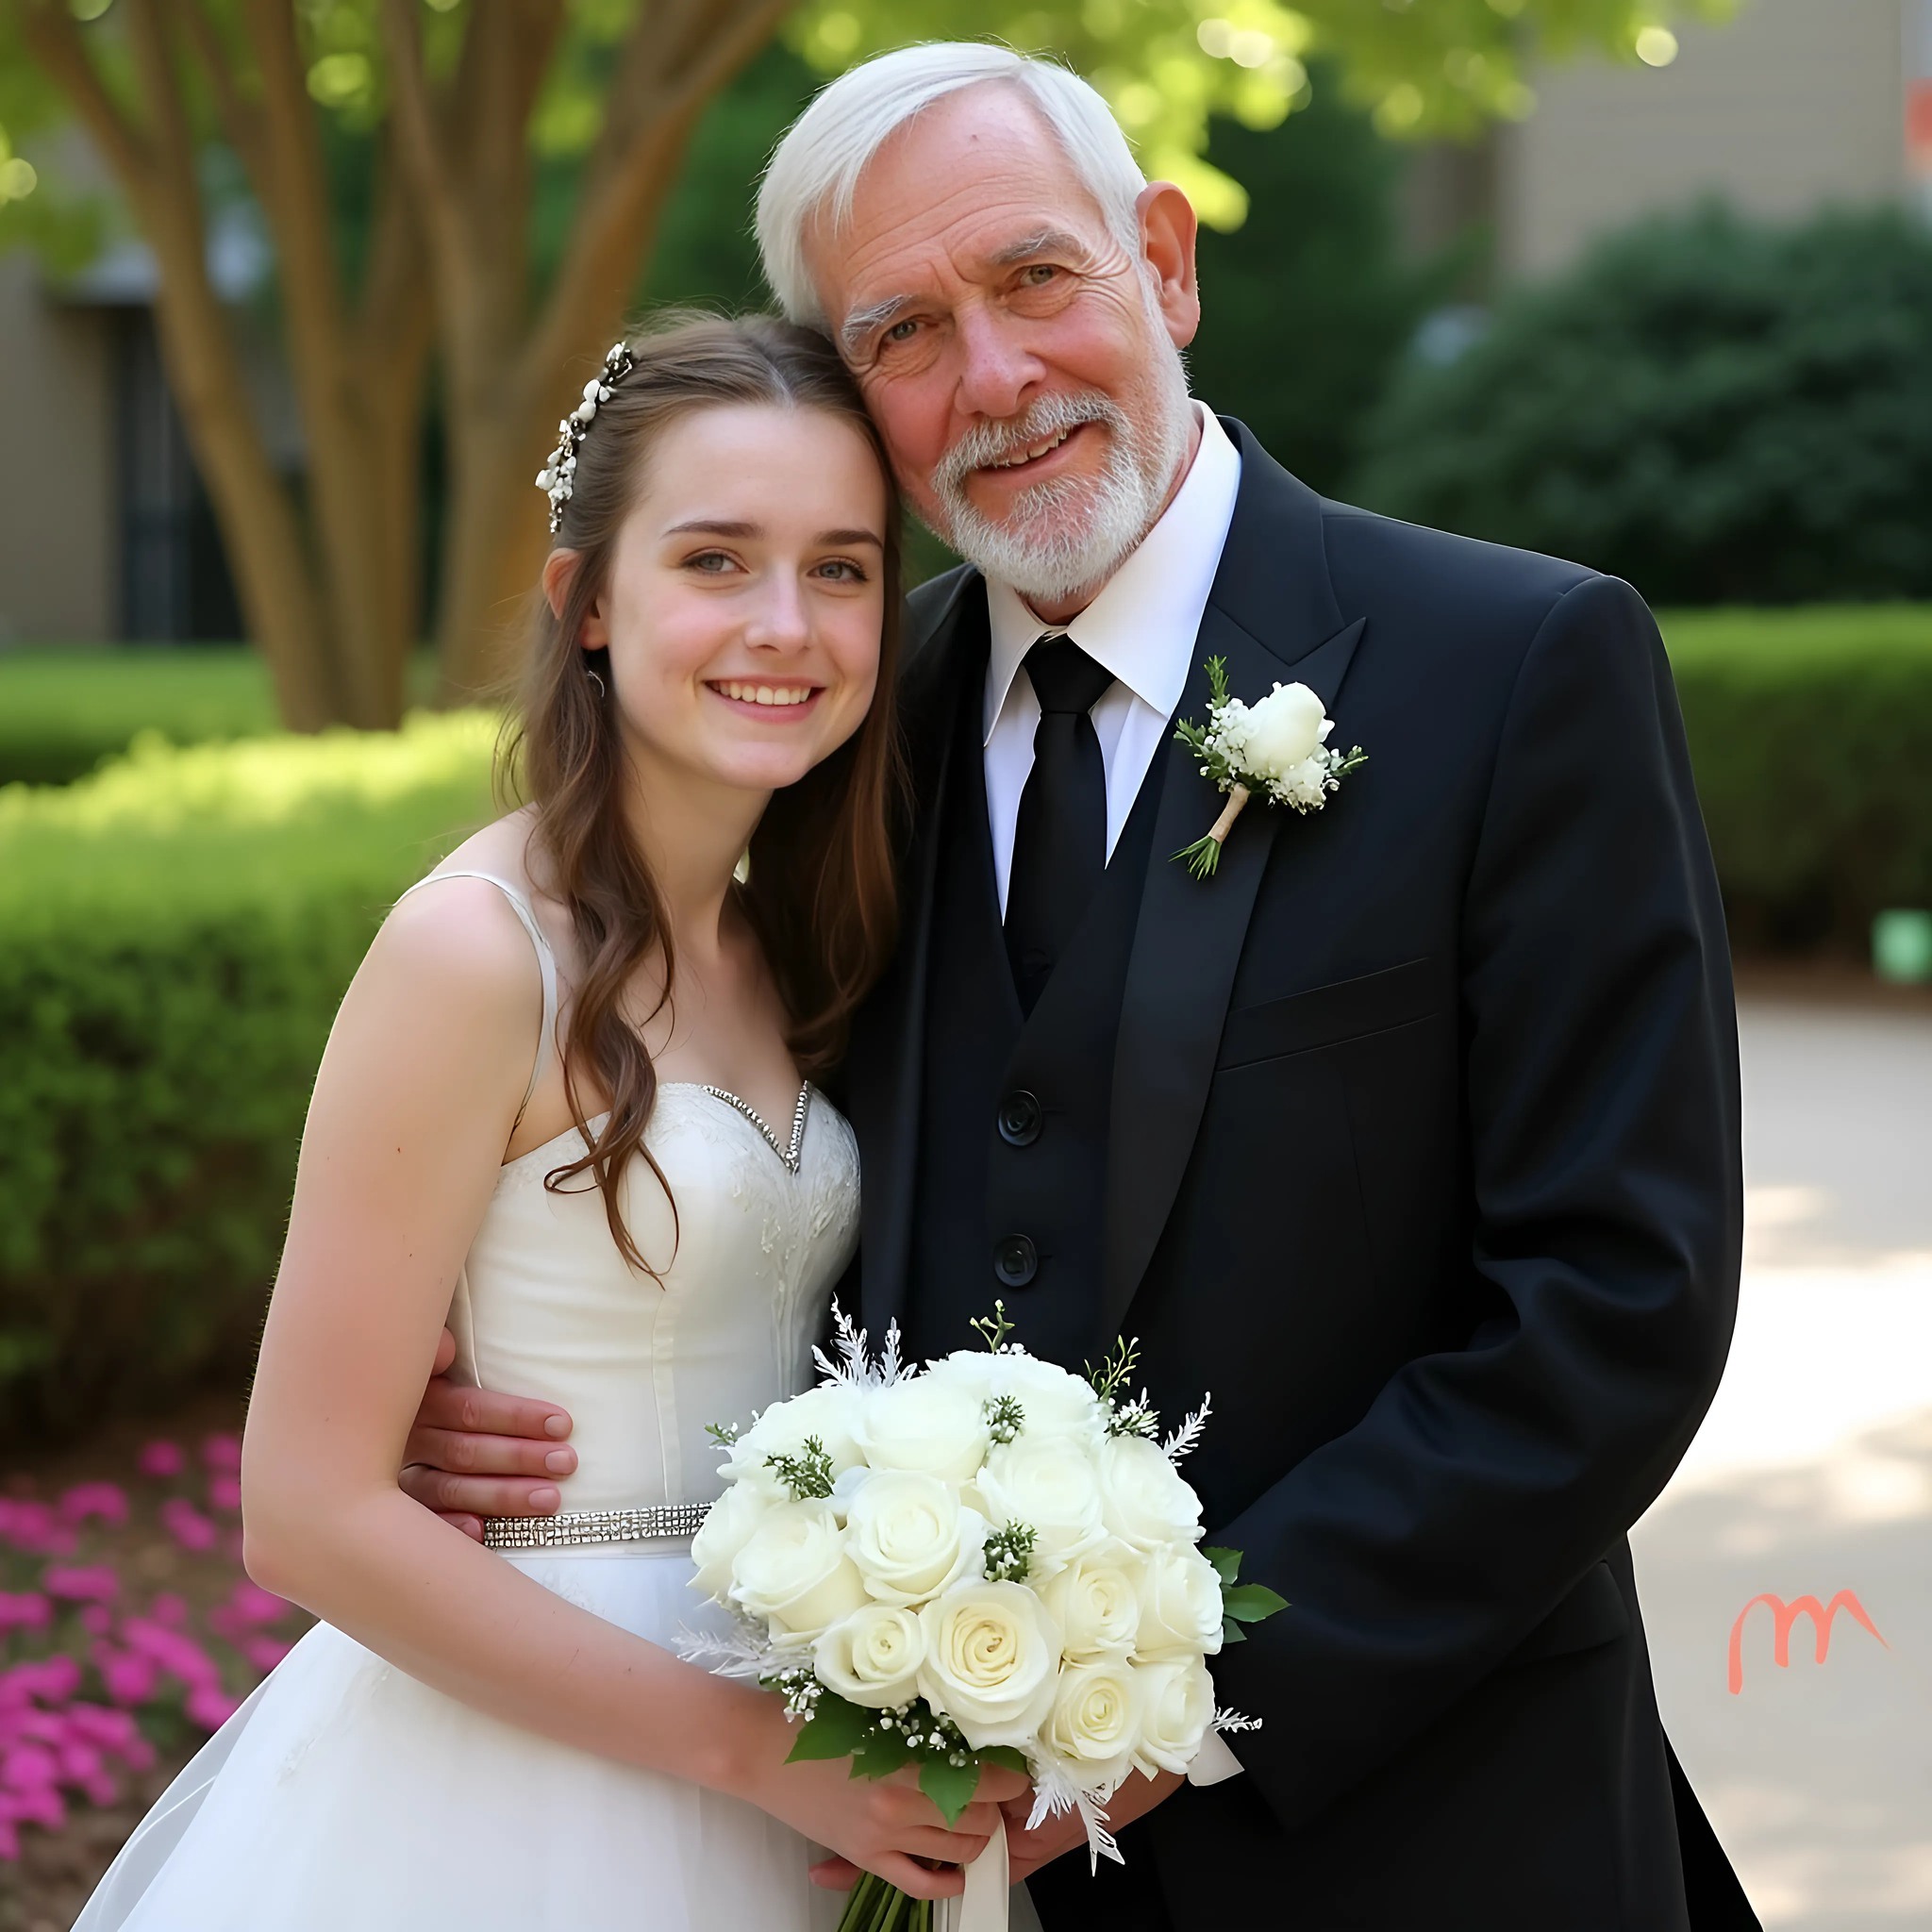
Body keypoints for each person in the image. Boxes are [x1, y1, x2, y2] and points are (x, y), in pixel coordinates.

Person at [406, 46, 1764, 1932]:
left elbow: (1617, 1303)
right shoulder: (833, 726)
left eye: (1036, 276)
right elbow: (691, 1103)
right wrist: (484, 1373)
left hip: (1433, 1835)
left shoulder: (1522, 665)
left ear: (1166, 264)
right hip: (935, 1867)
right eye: (901, 332)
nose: (993, 375)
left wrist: (1178, 1702)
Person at [70, 312, 1027, 1931]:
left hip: (811, 1725)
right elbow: (304, 1512)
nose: (785, 625)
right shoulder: (473, 953)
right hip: (543, 1772)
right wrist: (760, 1751)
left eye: (842, 569)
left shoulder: (788, 942)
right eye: (715, 560)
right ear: (586, 601)